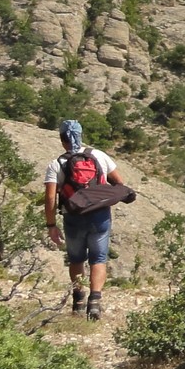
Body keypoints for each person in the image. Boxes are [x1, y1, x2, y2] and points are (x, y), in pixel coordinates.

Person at [43, 119, 128, 321]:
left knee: (76, 259)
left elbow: (50, 197)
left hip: (73, 217)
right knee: (98, 259)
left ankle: (78, 300)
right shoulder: (98, 156)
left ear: (62, 140)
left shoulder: (57, 164)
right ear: (80, 136)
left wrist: (51, 225)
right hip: (100, 216)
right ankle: (95, 302)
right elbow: (119, 182)